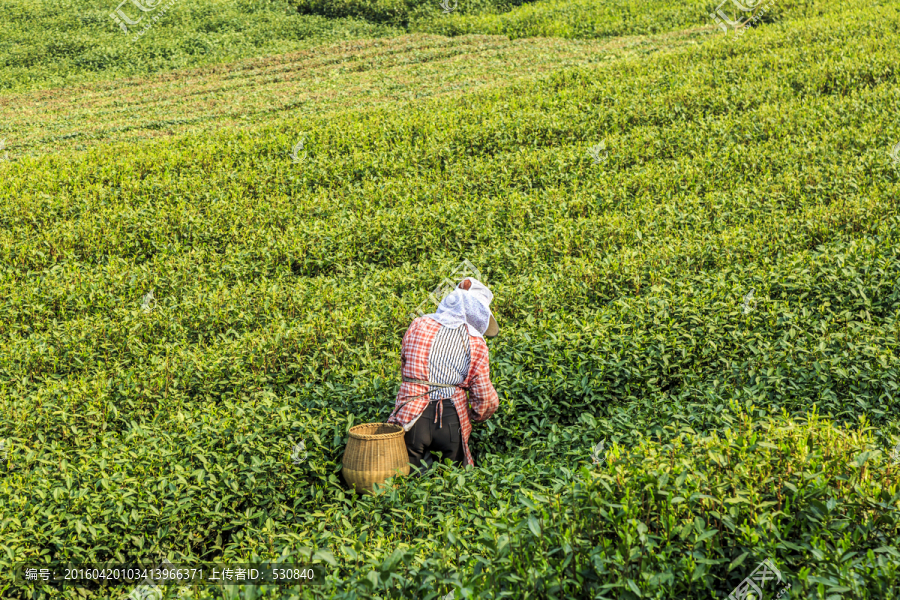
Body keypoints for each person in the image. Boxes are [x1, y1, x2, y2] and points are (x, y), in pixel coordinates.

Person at [387, 277, 500, 472]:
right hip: (451, 419)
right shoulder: (476, 343)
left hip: (412, 414)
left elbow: (405, 363)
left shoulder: (418, 324)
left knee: (409, 477)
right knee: (453, 479)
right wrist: (476, 415)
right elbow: (485, 397)